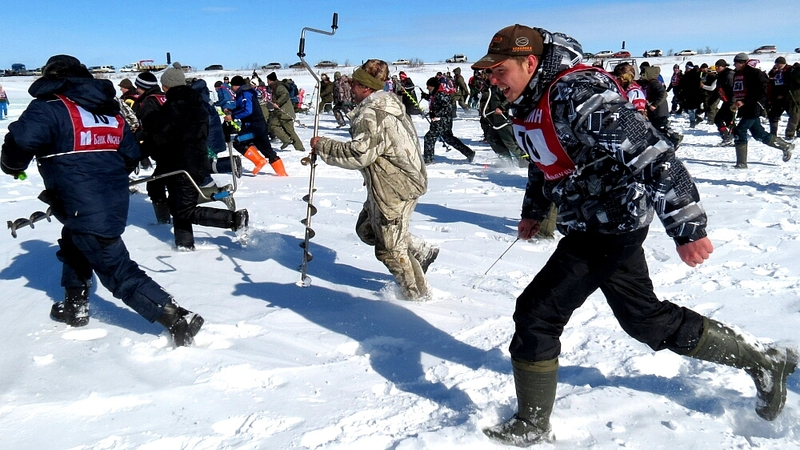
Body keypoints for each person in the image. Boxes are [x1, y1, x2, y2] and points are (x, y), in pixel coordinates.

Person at [471, 25, 798, 446]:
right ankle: (765, 360)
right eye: (490, 72)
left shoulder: (579, 94)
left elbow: (654, 154)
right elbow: (544, 157)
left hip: (609, 226)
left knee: (537, 314)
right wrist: (534, 210)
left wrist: (687, 227)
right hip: (596, 222)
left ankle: (532, 425)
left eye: (499, 71)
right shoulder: (533, 98)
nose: (492, 80)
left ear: (529, 62)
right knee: (645, 318)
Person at [0, 55, 204, 346]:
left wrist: (12, 165)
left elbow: (20, 143)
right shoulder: (108, 110)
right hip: (108, 197)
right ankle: (75, 306)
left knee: (114, 266)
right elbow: (131, 154)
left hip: (80, 199)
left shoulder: (49, 106)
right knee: (74, 242)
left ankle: (175, 317)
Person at [310, 59, 438, 300]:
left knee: (390, 250)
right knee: (367, 229)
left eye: (354, 84)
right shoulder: (387, 103)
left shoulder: (372, 114)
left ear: (366, 87)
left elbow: (359, 154)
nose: (351, 88)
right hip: (387, 182)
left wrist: (323, 146)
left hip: (395, 187)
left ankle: (417, 298)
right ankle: (421, 251)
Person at [142, 65, 250, 251]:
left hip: (182, 164)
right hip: (195, 161)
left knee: (184, 209)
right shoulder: (196, 105)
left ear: (167, 86)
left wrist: (150, 129)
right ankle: (184, 245)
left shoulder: (174, 108)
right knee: (178, 204)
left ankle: (233, 219)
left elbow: (163, 136)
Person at [730, 53, 794, 169]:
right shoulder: (737, 74)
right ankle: (785, 146)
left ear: (742, 63)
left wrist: (744, 101)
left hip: (754, 106)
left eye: (736, 63)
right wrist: (736, 102)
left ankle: (741, 163)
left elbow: (760, 92)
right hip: (745, 107)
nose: (734, 65)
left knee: (740, 130)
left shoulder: (754, 73)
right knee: (758, 134)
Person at [225, 75, 288, 176]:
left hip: (252, 127)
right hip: (260, 126)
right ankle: (283, 174)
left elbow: (247, 110)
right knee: (268, 151)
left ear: (236, 85)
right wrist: (232, 111)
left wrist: (232, 116)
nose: (231, 89)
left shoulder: (244, 93)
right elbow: (244, 108)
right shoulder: (248, 92)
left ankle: (259, 161)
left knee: (238, 142)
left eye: (232, 86)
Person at [423, 76, 475, 164]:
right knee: (449, 139)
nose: (427, 88)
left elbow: (448, 108)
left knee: (429, 138)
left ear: (433, 86)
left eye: (428, 86)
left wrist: (436, 114)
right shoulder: (436, 94)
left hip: (442, 121)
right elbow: (435, 101)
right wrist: (426, 96)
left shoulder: (441, 94)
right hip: (440, 121)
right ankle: (469, 153)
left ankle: (428, 159)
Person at [266, 72, 304, 151]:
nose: (267, 82)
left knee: (274, 126)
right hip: (284, 112)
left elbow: (285, 95)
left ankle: (287, 140)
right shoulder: (275, 87)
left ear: (271, 80)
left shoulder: (279, 87)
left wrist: (277, 103)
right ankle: (299, 148)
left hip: (284, 112)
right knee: (289, 131)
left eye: (268, 80)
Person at [713, 59, 736, 146]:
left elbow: (734, 89)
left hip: (731, 101)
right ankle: (738, 136)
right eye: (716, 66)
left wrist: (733, 102)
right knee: (728, 120)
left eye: (719, 66)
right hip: (726, 101)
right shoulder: (721, 75)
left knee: (718, 119)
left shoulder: (729, 75)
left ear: (723, 67)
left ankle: (727, 138)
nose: (717, 68)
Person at [767, 56, 790, 137]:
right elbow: (770, 80)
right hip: (776, 98)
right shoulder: (775, 71)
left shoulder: (788, 70)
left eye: (777, 64)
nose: (776, 65)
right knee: (773, 116)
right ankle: (773, 133)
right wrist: (773, 72)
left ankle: (792, 133)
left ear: (782, 64)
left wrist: (783, 94)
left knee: (794, 116)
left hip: (787, 98)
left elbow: (789, 84)